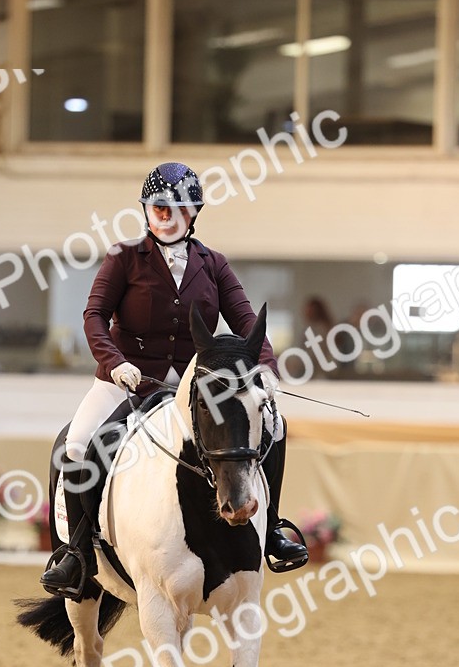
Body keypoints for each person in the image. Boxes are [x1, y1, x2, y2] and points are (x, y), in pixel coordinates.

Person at [40, 161, 308, 598]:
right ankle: (76, 553)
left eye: (176, 208)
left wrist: (266, 368)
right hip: (125, 380)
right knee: (77, 444)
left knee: (274, 426)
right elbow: (94, 316)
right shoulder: (124, 257)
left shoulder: (213, 264)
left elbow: (245, 319)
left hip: (189, 387)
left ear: (193, 212)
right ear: (146, 210)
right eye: (157, 208)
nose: (165, 216)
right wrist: (114, 362)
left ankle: (273, 527)